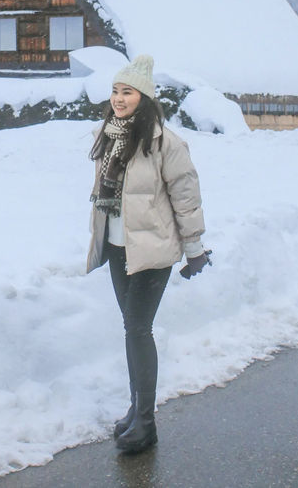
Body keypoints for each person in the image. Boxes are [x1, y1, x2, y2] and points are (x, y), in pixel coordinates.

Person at [87, 54, 211, 454]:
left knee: (138, 329)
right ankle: (136, 408)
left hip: (153, 252)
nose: (119, 99)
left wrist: (194, 250)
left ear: (145, 98)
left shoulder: (165, 143)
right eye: (115, 91)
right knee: (131, 328)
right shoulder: (109, 134)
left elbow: (186, 198)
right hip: (120, 248)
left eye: (128, 92)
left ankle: (146, 423)